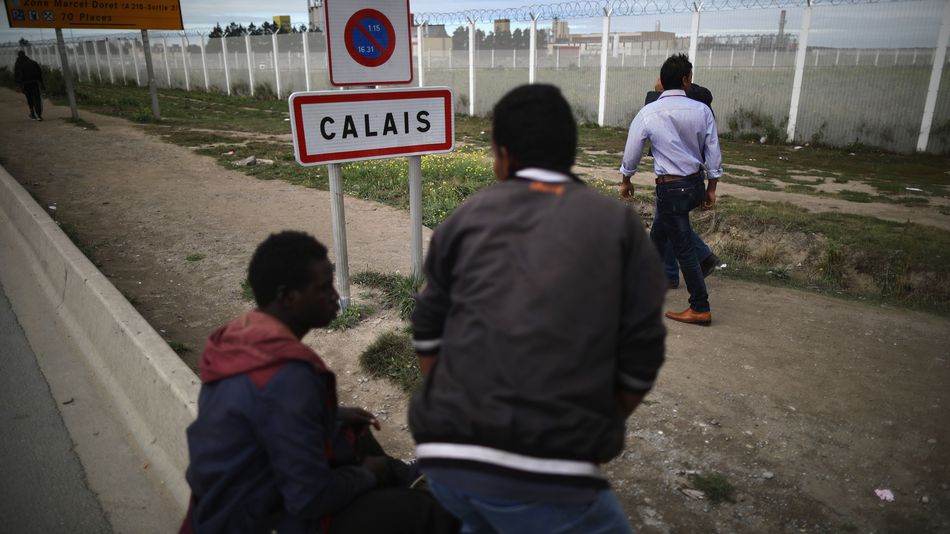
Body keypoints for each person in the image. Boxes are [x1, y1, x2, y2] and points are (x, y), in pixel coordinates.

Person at [409, 84, 667, 533]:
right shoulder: (619, 226)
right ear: (570, 152)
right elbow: (642, 354)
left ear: (502, 156)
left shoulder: (464, 217)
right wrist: (590, 425)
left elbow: (427, 332)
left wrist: (464, 412)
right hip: (545, 477)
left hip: (441, 459)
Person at [182, 231, 458, 534]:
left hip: (218, 510)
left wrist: (333, 414)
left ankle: (407, 480)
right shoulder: (288, 376)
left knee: (351, 433)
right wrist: (366, 475)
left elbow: (261, 413)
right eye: (324, 287)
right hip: (262, 519)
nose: (336, 297)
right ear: (287, 296)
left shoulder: (242, 341)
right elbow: (308, 498)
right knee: (422, 514)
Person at [620, 54, 723, 326]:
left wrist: (626, 179)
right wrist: (712, 188)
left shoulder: (648, 112)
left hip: (670, 188)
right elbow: (713, 152)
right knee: (660, 231)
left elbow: (632, 151)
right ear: (686, 80)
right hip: (694, 185)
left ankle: (700, 306)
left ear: (661, 81)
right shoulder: (701, 111)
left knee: (684, 249)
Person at [644, 77, 721, 289]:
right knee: (667, 223)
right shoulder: (693, 103)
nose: (657, 80)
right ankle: (668, 272)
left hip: (675, 177)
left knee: (670, 224)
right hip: (686, 175)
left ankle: (700, 261)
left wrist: (626, 177)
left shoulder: (690, 99)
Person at [14, 51, 44, 121]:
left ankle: (33, 114)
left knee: (29, 99)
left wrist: (19, 85)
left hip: (25, 84)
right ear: (25, 55)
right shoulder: (33, 62)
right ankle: (39, 115)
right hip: (35, 83)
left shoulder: (18, 63)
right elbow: (39, 73)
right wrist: (42, 83)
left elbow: (17, 75)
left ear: (18, 56)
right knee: (37, 99)